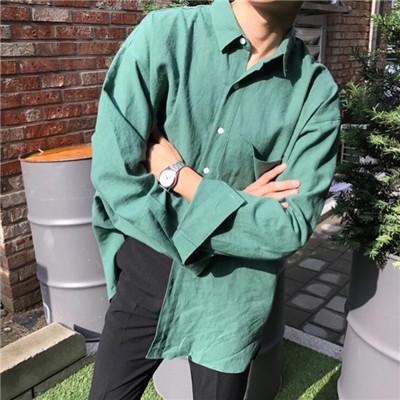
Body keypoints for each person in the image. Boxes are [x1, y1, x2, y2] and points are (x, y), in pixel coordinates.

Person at [89, 0, 341, 399]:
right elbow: (115, 175)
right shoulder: (164, 37)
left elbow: (288, 227)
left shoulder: (315, 93)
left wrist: (181, 178)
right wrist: (238, 204)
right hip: (148, 267)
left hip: (233, 293)